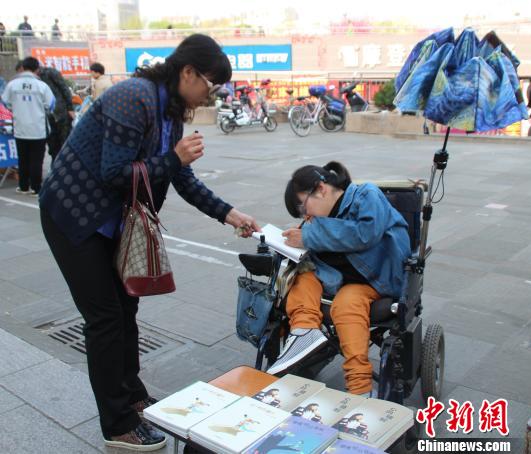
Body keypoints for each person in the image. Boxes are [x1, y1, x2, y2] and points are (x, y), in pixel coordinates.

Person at [39, 34, 260, 452]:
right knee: (104, 318)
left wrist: (229, 214)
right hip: (73, 216)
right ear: (188, 72)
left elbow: (181, 178)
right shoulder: (133, 97)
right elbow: (114, 172)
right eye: (209, 86)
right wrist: (174, 158)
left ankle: (132, 396)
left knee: (126, 308)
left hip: (112, 222)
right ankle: (117, 423)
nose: (209, 96)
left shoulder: (170, 112)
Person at [266, 162, 410, 398]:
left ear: (321, 189)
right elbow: (315, 243)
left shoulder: (367, 195)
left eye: (304, 207)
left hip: (375, 278)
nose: (307, 215)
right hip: (336, 276)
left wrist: (309, 236)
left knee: (346, 305)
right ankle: (304, 332)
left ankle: (360, 387)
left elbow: (365, 234)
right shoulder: (319, 216)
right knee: (300, 278)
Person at [1, 57, 55, 196]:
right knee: (37, 159)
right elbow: (51, 104)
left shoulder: (12, 85)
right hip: (38, 128)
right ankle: (36, 188)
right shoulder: (42, 86)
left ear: (23, 68)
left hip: (20, 128)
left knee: (23, 158)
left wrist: (17, 108)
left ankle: (23, 186)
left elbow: (5, 102)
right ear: (37, 69)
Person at [38, 65, 75, 161]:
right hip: (47, 115)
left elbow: (64, 88)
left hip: (60, 112)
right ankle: (55, 164)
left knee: (64, 140)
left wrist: (70, 108)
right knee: (52, 142)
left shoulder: (50, 73)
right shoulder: (34, 79)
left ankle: (66, 164)